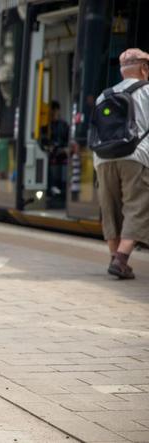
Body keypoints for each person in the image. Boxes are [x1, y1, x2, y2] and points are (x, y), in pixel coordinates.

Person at [94, 48, 149, 279]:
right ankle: (121, 258)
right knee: (137, 205)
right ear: (144, 69)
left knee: (110, 208)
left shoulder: (103, 96)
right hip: (136, 156)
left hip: (103, 159)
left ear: (122, 70)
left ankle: (114, 257)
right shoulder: (147, 91)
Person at [41, 101, 69, 204]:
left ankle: (61, 188)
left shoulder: (64, 125)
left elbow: (68, 140)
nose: (54, 115)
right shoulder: (45, 126)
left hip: (61, 153)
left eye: (55, 112)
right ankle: (52, 188)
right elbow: (43, 141)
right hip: (51, 154)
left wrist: (65, 148)